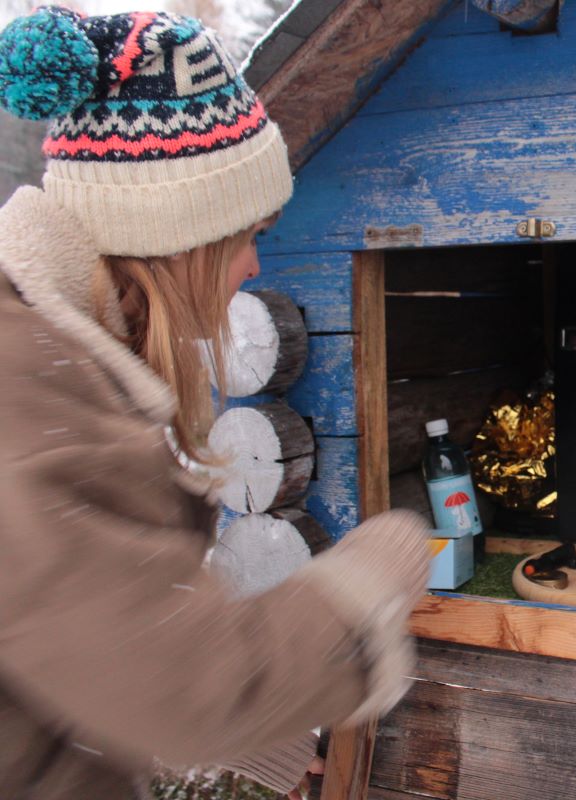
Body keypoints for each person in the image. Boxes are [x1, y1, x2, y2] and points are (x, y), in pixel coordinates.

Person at [0, 7, 429, 799]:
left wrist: (252, 732)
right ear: (177, 237)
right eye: (244, 234)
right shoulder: (22, 385)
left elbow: (90, 649)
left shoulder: (61, 359)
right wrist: (366, 585)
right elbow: (177, 684)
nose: (255, 264)